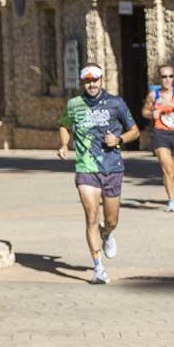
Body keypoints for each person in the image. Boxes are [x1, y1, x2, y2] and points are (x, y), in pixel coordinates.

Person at [57, 65, 139, 284]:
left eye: (95, 80)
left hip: (112, 167)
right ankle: (98, 268)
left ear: (103, 80)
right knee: (91, 216)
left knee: (111, 220)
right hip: (86, 168)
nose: (91, 85)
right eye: (87, 81)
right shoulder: (74, 104)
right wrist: (65, 144)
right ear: (82, 83)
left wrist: (119, 139)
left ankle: (107, 233)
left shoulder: (116, 103)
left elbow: (135, 131)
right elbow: (64, 125)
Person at [142, 65, 174, 211]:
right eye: (164, 77)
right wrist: (151, 114)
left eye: (170, 76)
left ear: (173, 77)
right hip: (160, 134)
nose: (167, 80)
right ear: (159, 78)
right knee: (167, 168)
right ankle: (172, 200)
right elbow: (145, 111)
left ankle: (172, 182)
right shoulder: (154, 95)